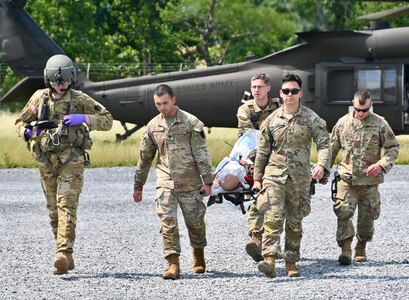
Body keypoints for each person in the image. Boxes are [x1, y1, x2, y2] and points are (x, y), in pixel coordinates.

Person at [15, 54, 113, 275]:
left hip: (71, 159)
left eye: (65, 81)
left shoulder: (80, 99)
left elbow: (107, 119)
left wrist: (85, 119)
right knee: (52, 210)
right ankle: (67, 256)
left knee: (66, 206)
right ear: (48, 79)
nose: (61, 85)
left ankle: (62, 252)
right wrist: (26, 131)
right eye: (57, 81)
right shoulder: (39, 99)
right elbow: (20, 122)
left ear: (71, 80)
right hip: (46, 160)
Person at [253, 73, 331, 278]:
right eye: (286, 91)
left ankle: (291, 261)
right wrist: (257, 177)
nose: (289, 95)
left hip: (299, 178)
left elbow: (324, 144)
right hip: (274, 175)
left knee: (295, 222)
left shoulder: (311, 118)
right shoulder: (271, 120)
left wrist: (322, 165)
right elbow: (262, 151)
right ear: (280, 93)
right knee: (273, 215)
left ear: (300, 93)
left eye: (294, 91)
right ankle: (269, 260)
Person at [133, 84, 213, 280]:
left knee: (195, 222)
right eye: (158, 104)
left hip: (190, 181)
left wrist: (208, 181)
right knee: (168, 222)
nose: (162, 107)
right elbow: (144, 158)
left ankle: (198, 253)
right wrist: (138, 185)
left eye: (165, 103)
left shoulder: (190, 123)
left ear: (174, 100)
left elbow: (202, 154)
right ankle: (172, 263)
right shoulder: (152, 126)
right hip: (165, 180)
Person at [330, 89, 399, 265]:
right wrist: (322, 168)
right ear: (353, 103)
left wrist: (381, 165)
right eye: (358, 109)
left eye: (365, 110)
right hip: (347, 178)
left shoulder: (380, 124)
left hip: (369, 181)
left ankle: (360, 247)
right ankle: (346, 249)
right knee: (343, 212)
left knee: (366, 218)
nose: (361, 113)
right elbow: (332, 148)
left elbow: (393, 148)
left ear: (371, 105)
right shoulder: (343, 123)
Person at [236, 73, 280, 263]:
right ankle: (256, 239)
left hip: (277, 155)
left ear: (268, 88)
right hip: (252, 156)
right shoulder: (245, 109)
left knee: (274, 202)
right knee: (258, 197)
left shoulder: (278, 107)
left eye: (260, 87)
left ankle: (265, 243)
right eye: (254, 87)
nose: (256, 90)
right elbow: (248, 138)